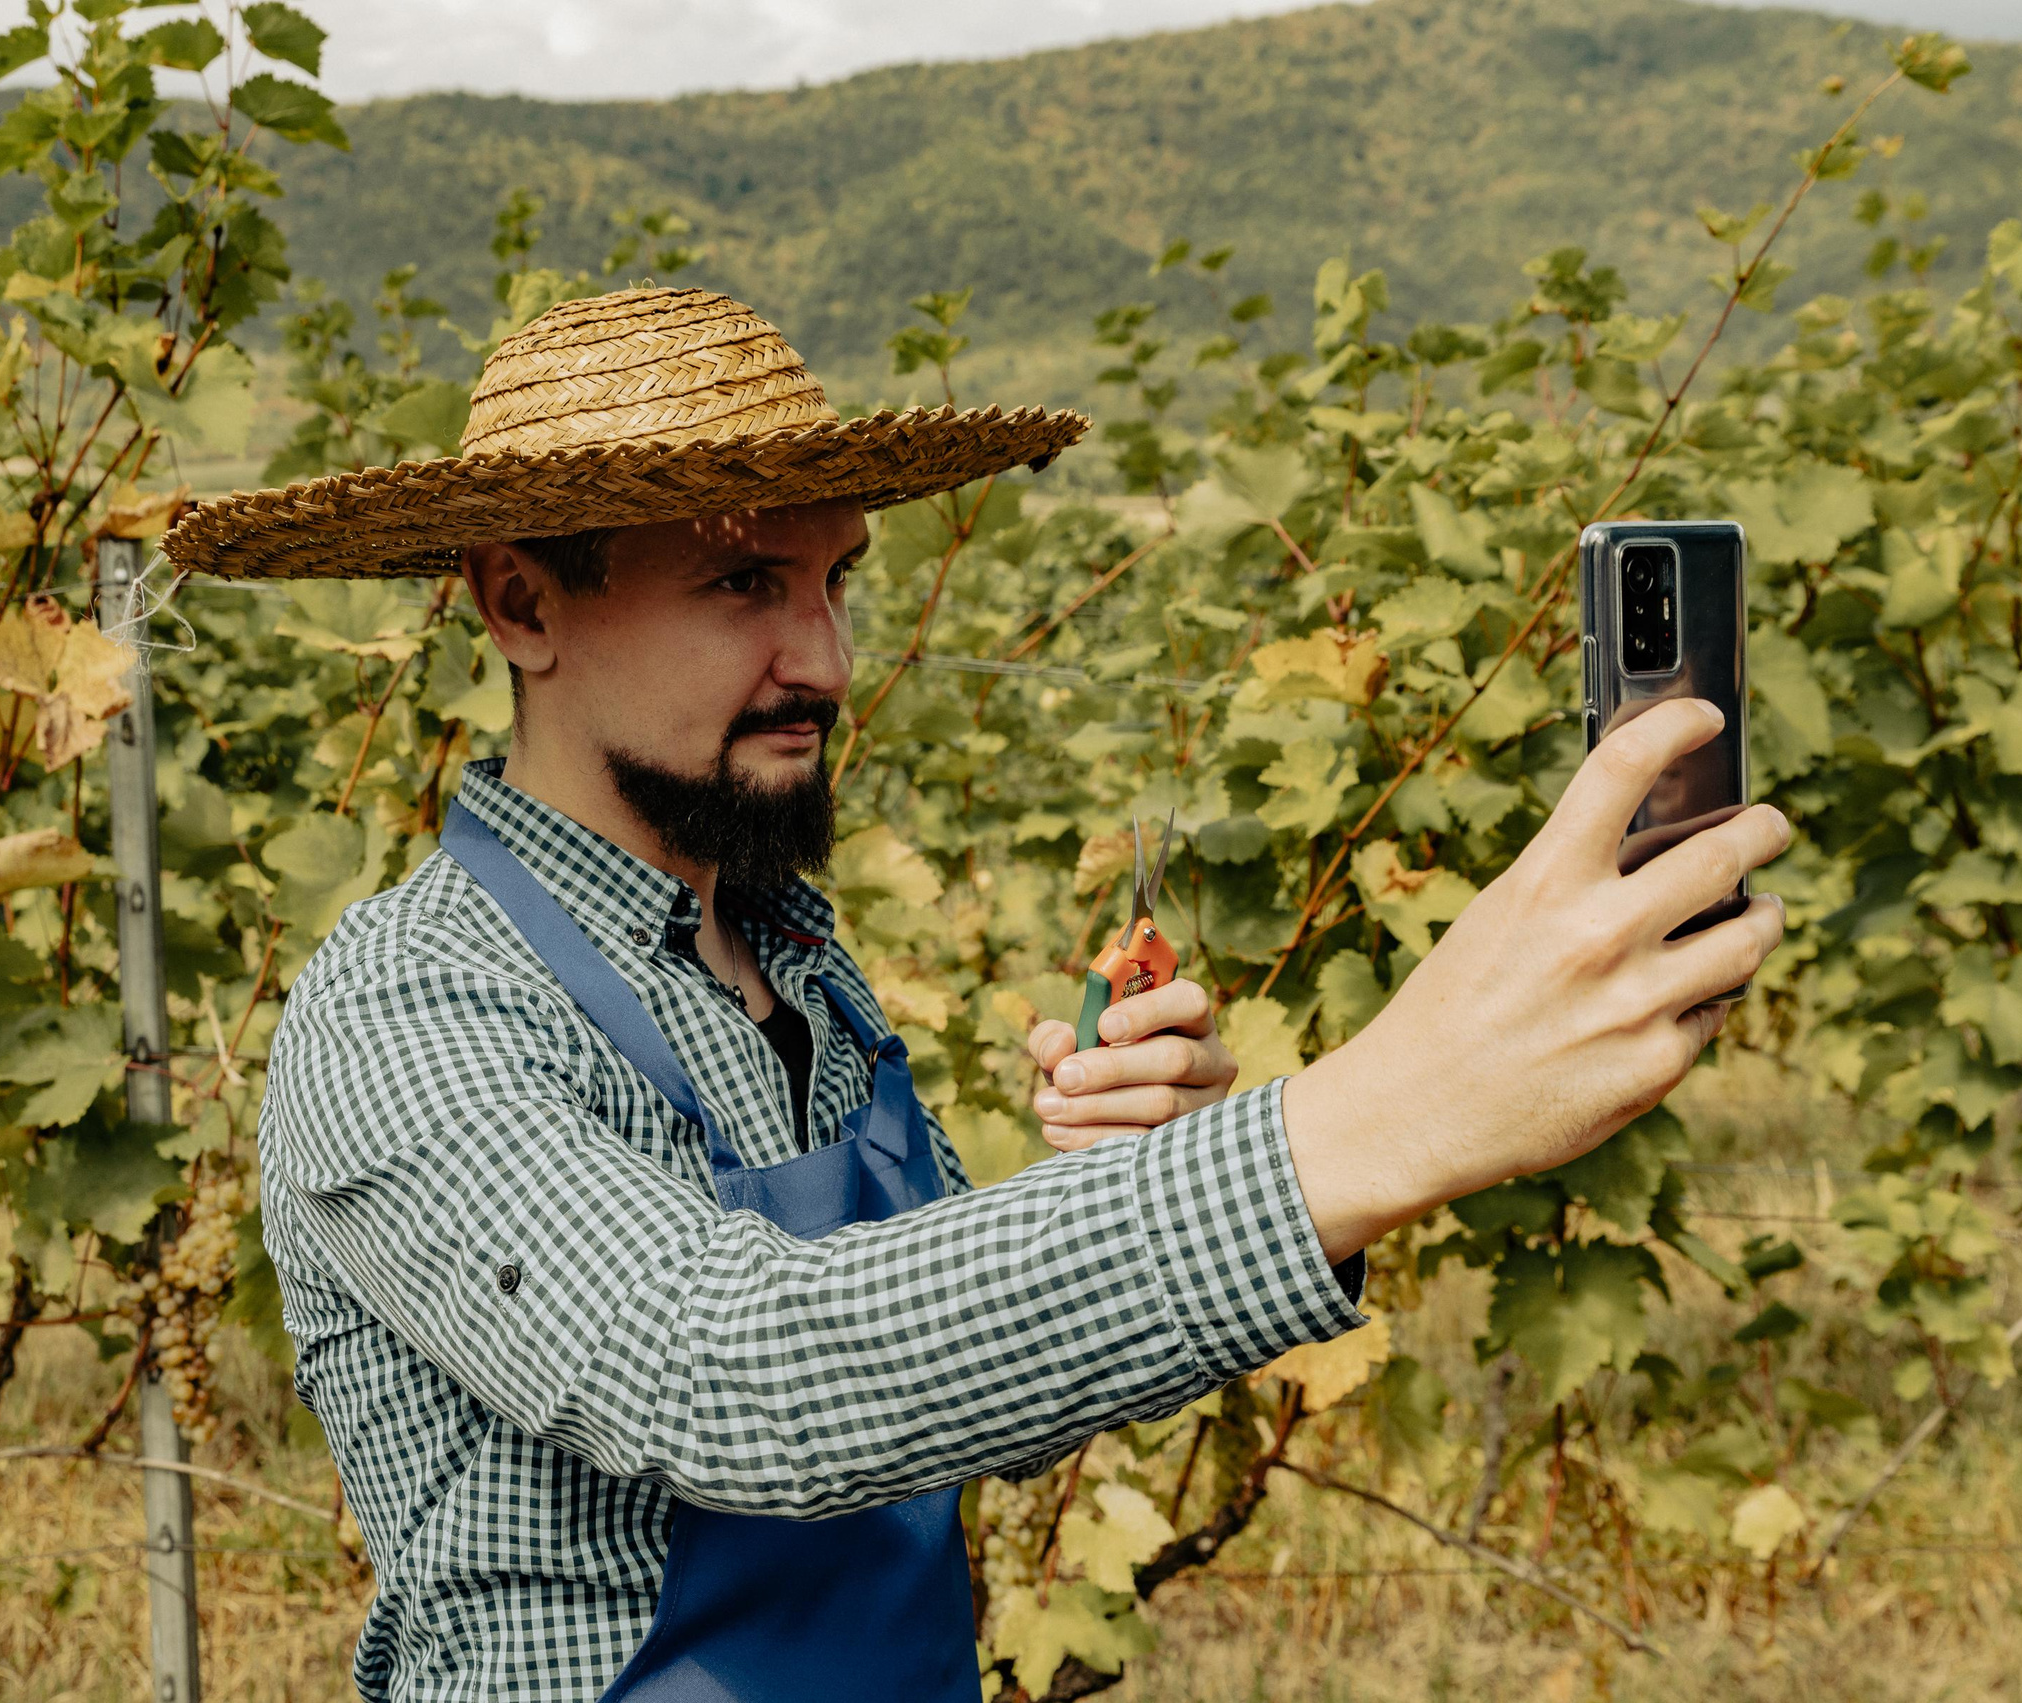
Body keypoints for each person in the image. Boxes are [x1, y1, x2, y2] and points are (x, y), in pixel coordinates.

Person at [164, 287, 1789, 1703]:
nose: (826, 659)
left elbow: (950, 1407)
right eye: (744, 588)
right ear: (521, 604)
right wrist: (1365, 1125)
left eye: (837, 583)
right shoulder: (406, 1011)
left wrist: (1128, 1182)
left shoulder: (788, 958)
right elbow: (736, 1377)